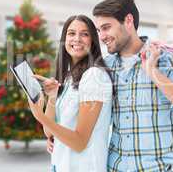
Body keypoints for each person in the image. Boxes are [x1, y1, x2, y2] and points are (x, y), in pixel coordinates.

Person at [92, 0, 173, 172]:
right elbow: (94, 116)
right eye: (99, 30)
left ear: (128, 20)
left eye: (106, 28)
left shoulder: (167, 60)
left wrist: (153, 72)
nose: (102, 36)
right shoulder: (105, 66)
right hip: (115, 167)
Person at [27, 15, 113, 172]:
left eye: (85, 34)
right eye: (71, 33)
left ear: (93, 40)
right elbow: (49, 132)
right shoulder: (68, 77)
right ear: (64, 39)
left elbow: (80, 143)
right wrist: (52, 97)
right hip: (60, 165)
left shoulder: (94, 76)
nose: (77, 39)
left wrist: (39, 115)